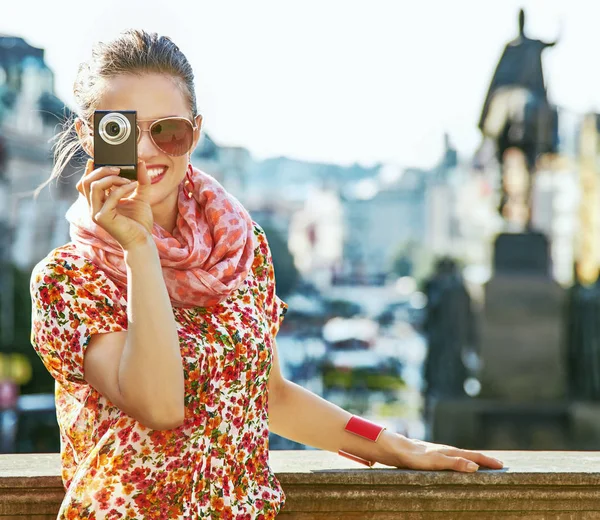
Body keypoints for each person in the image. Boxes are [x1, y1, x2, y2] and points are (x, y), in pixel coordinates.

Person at [30, 30, 503, 519]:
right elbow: (161, 405)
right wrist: (139, 248)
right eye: (124, 130)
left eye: (168, 131)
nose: (148, 152)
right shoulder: (68, 279)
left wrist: (395, 444)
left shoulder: (237, 246)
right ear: (90, 135)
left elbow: (271, 394)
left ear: (195, 131)